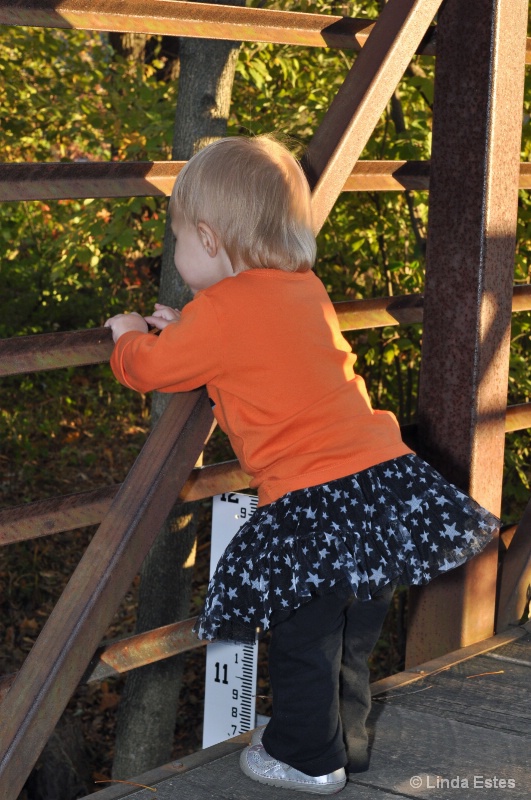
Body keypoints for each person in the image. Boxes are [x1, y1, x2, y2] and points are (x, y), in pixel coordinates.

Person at [105, 135, 499, 795]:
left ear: (208, 238)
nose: (175, 254)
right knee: (349, 632)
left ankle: (305, 761)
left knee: (302, 633)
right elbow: (249, 351)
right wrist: (187, 329)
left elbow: (150, 368)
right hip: (380, 487)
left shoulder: (222, 313)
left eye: (176, 241)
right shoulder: (300, 287)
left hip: (313, 502)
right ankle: (341, 743)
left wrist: (127, 335)